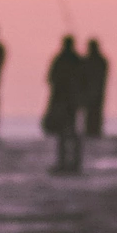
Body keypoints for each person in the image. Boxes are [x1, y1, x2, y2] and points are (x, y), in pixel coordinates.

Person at [42, 34, 84, 174]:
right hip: (71, 101)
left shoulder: (61, 59)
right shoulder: (77, 60)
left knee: (64, 133)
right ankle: (72, 163)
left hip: (63, 101)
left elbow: (51, 78)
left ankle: (67, 163)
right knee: (69, 132)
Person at [81, 38, 109, 139]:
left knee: (93, 115)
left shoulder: (95, 61)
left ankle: (93, 132)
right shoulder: (101, 61)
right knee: (92, 115)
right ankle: (93, 132)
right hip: (95, 93)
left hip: (94, 93)